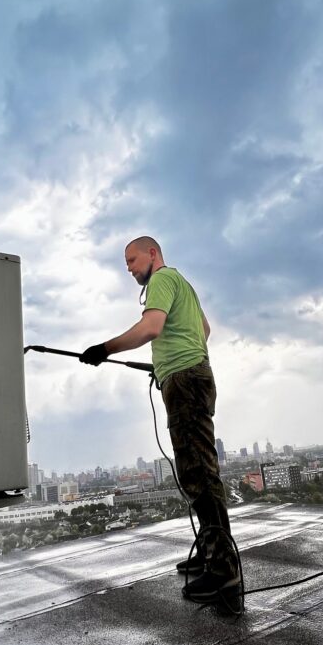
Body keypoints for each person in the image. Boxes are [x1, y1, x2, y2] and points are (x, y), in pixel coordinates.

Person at [80, 236, 240, 607]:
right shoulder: (183, 284)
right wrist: (169, 360)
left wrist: (104, 349)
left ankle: (224, 570)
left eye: (132, 260)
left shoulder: (162, 280)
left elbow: (151, 327)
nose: (130, 268)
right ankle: (211, 552)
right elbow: (204, 329)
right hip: (189, 375)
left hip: (185, 381)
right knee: (196, 472)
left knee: (199, 474)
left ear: (152, 254)